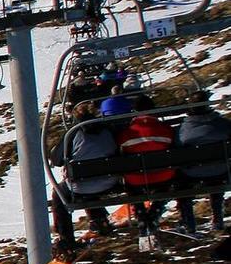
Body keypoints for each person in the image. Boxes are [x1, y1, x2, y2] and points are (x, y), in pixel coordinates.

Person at [51, 101, 118, 247]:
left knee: (60, 194)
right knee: (90, 177)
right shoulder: (107, 130)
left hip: (80, 185)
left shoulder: (74, 133)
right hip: (110, 182)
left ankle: (66, 238)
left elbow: (57, 160)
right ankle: (99, 220)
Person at [118, 103, 178, 240]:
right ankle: (154, 212)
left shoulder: (127, 134)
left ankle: (141, 214)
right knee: (167, 180)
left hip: (136, 178)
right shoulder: (165, 130)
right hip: (163, 176)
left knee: (131, 183)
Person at [176, 92, 231, 234]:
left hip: (192, 172)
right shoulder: (223, 125)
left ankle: (188, 223)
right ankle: (217, 219)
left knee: (181, 186)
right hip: (220, 169)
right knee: (217, 181)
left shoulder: (184, 130)